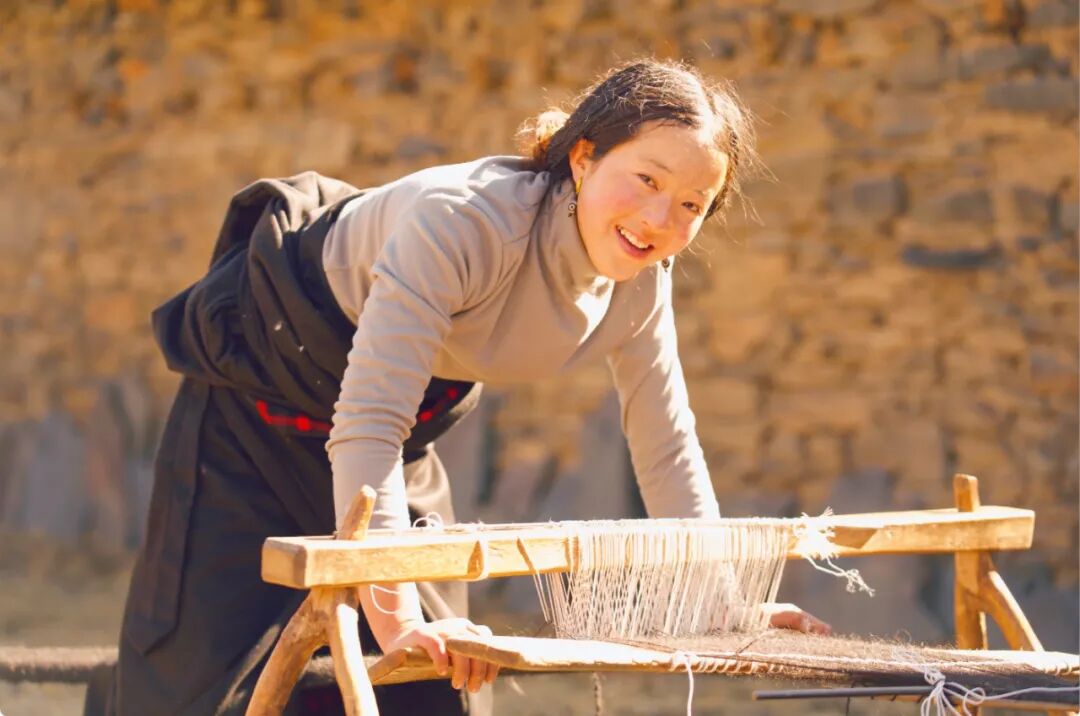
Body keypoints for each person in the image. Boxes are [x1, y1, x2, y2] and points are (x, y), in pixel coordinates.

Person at [98, 57, 829, 716]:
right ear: (583, 159)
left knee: (441, 685)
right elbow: (368, 420)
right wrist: (398, 623)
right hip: (262, 409)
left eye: (693, 204)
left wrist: (721, 604)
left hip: (395, 443)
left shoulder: (642, 284)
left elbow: (666, 445)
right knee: (195, 686)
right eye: (647, 180)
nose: (659, 219)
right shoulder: (462, 225)